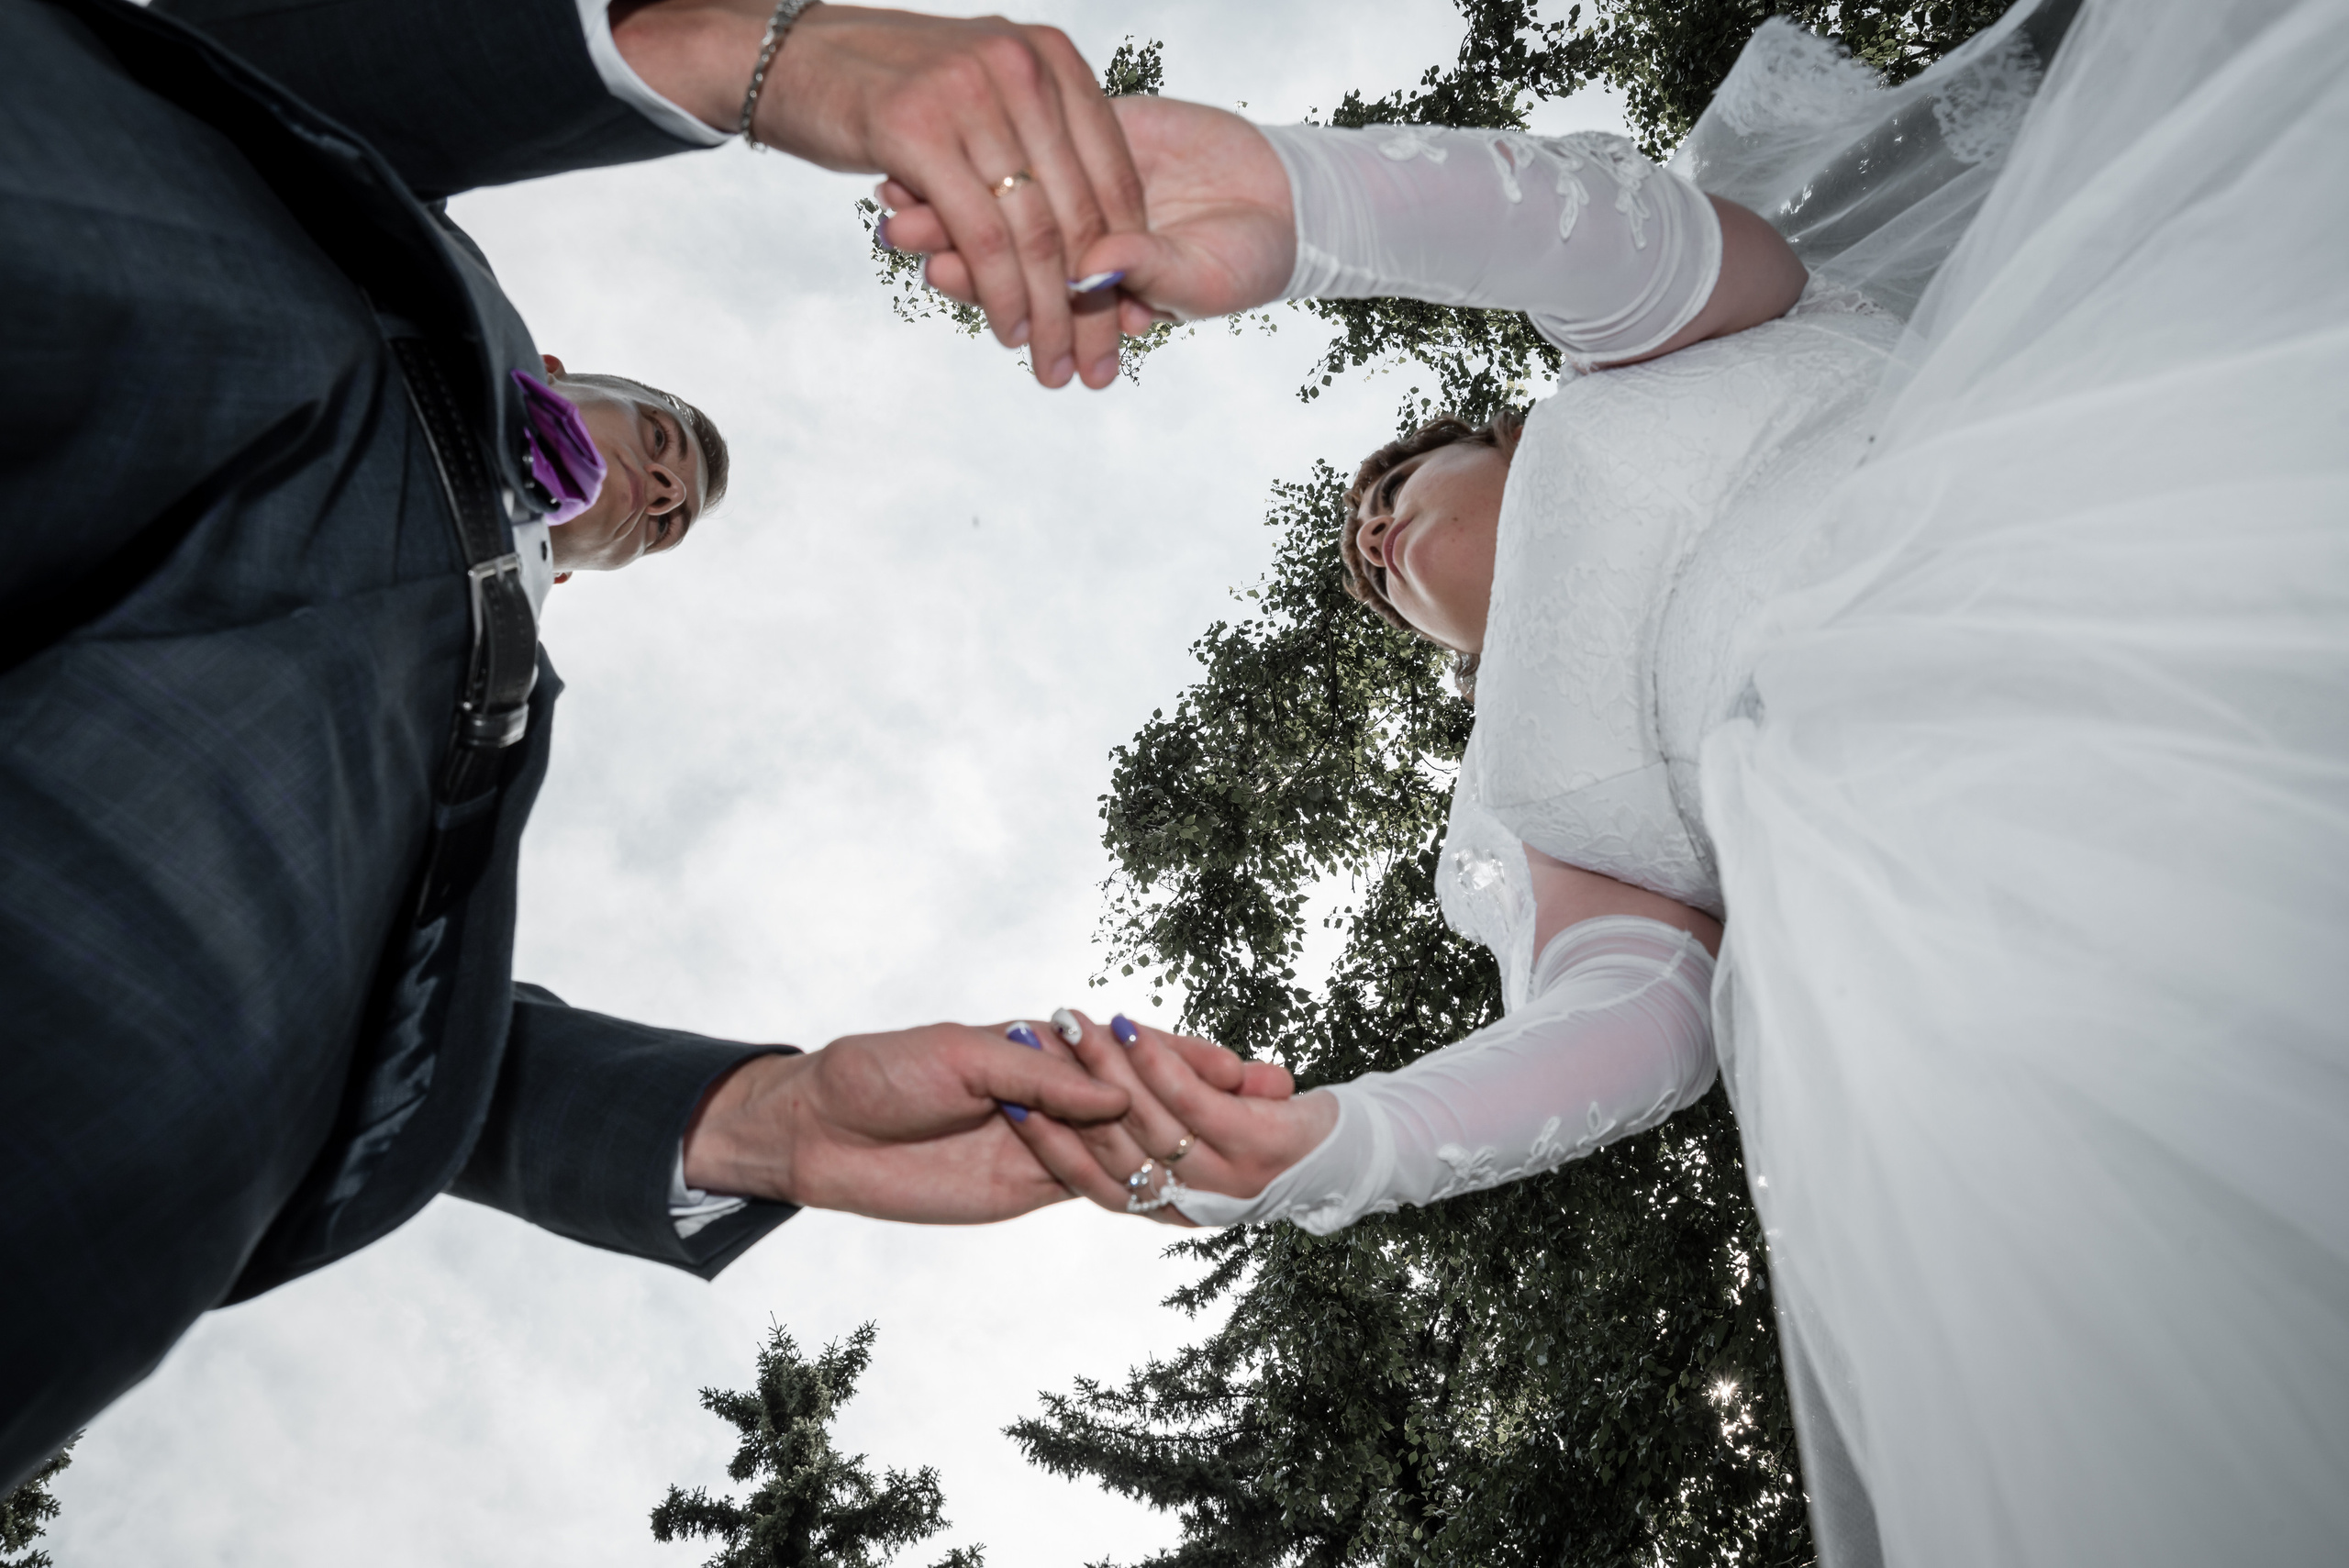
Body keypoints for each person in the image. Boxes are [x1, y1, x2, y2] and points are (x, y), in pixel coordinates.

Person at [891, 0, 2349, 1561]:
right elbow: (1639, 1022)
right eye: (1372, 576)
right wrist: (1342, 1142)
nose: (1378, 536)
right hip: (1993, 903)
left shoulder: (1647, 359)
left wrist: (1309, 204)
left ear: (1495, 436)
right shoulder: (1522, 803)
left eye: (1395, 481)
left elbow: (1607, 241)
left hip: (2122, 510)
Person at [0, 0, 1240, 1491]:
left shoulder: (488, 726)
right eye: (659, 446)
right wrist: (736, 57)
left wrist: (760, 1122)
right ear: (571, 363)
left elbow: (408, 1046)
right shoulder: (398, 250)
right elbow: (246, 72)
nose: (659, 490)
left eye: (671, 516)